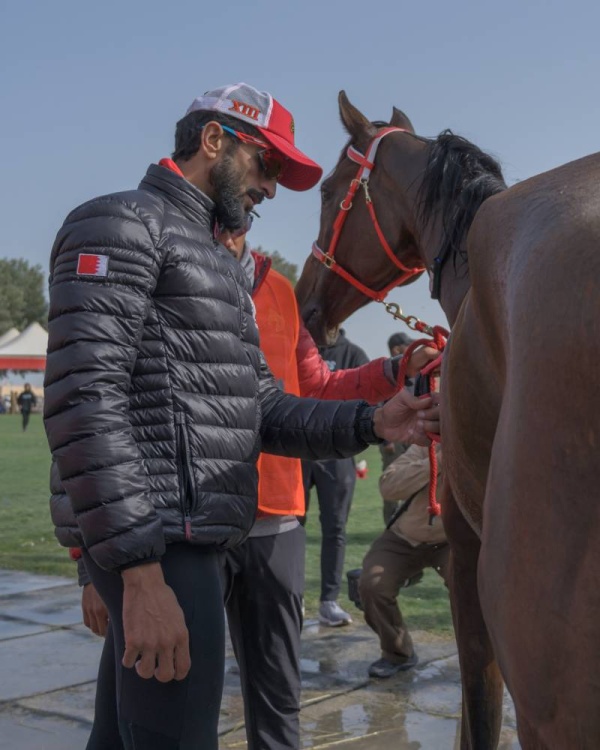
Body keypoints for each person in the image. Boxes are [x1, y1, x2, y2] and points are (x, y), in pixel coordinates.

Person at [44, 81, 439, 750]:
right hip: (162, 544)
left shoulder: (223, 267)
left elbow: (266, 410)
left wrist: (377, 421)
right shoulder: (119, 223)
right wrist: (137, 575)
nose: (272, 187)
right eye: (267, 164)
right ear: (213, 140)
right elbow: (85, 402)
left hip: (193, 540)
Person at [358, 442, 449, 678]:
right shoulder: (425, 447)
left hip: (453, 542)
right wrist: (436, 460)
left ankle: (478, 657)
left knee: (471, 590)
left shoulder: (480, 451)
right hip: (405, 537)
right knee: (372, 584)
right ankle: (398, 654)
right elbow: (389, 487)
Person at [301, 329, 371, 628]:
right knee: (288, 529)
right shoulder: (299, 349)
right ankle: (292, 597)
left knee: (335, 528)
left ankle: (329, 601)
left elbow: (368, 398)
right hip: (296, 449)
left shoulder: (352, 354)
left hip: (338, 453)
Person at [380, 332, 415, 523]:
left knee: (414, 480)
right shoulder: (386, 373)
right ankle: (390, 524)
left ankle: (408, 523)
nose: (409, 348)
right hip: (393, 439)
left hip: (412, 437)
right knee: (392, 480)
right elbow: (379, 407)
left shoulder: (412, 372)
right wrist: (387, 440)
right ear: (396, 349)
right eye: (405, 346)